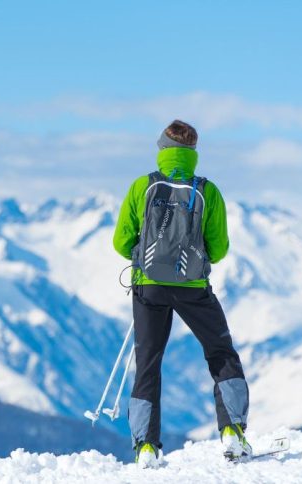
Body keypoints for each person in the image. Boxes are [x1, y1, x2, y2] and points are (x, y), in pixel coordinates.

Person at [112, 120, 250, 468]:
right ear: (193, 153)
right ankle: (232, 430)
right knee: (220, 352)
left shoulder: (142, 187)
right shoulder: (208, 191)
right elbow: (218, 249)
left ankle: (145, 446)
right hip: (193, 288)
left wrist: (143, 257)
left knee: (148, 362)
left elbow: (120, 241)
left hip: (149, 286)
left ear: (162, 149)